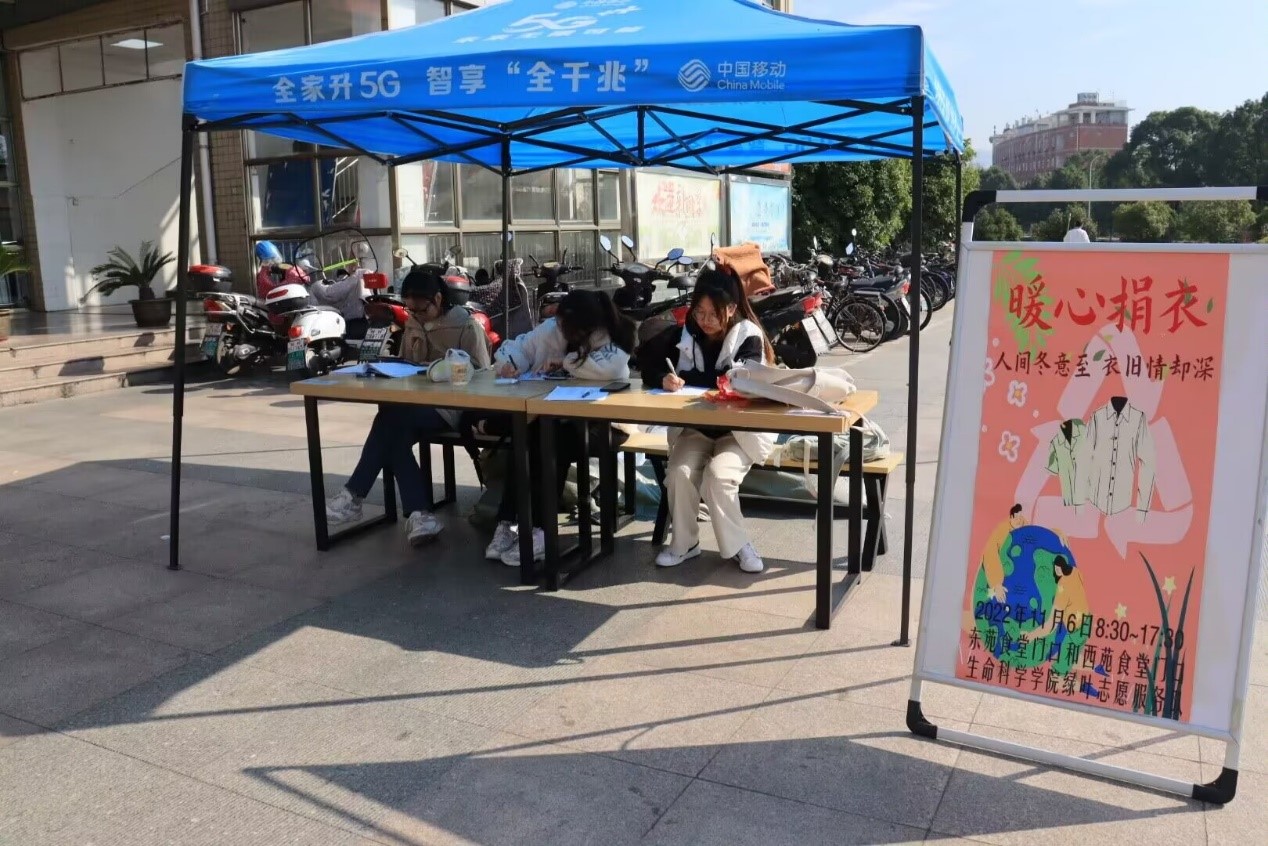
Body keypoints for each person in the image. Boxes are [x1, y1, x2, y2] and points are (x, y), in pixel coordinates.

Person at [324, 267, 492, 545]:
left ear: (438, 299)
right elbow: (406, 363)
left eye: (421, 310)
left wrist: (444, 370)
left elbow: (483, 374)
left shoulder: (466, 326)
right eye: (410, 310)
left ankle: (354, 495)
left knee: (388, 420)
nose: (416, 316)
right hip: (414, 404)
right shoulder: (414, 322)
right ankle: (419, 515)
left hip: (451, 408)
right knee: (394, 435)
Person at [637, 265, 777, 574]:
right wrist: (663, 379)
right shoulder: (687, 332)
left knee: (719, 476)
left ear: (731, 308)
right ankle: (685, 543)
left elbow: (743, 380)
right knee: (679, 473)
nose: (705, 320)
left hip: (738, 431)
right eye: (699, 312)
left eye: (713, 314)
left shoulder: (748, 335)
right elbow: (649, 367)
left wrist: (694, 379)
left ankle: (739, 545)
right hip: (697, 427)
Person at [481, 289, 634, 566]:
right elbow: (519, 347)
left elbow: (608, 369)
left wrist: (564, 362)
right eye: (560, 324)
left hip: (604, 425)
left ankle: (542, 530)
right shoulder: (553, 329)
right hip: (555, 417)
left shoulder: (611, 335)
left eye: (567, 328)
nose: (560, 331)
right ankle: (508, 522)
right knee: (527, 436)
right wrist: (509, 365)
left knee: (552, 441)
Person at [311, 267, 369, 340]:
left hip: (354, 323)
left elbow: (328, 294)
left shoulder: (353, 279)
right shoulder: (367, 277)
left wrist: (317, 285)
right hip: (366, 320)